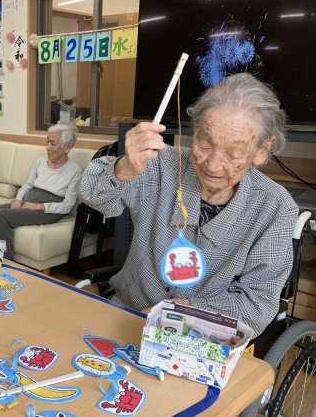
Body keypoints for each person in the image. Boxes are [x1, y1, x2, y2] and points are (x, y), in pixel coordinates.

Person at [79, 73, 298, 336]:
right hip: (127, 315)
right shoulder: (161, 165)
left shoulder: (275, 208)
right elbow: (92, 196)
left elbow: (258, 303)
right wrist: (124, 167)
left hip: (202, 337)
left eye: (233, 153)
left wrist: (188, 311)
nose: (213, 165)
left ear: (262, 150)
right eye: (204, 144)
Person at [0, 123, 82, 260]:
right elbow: (28, 184)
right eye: (47, 142)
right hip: (28, 202)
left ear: (67, 147)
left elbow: (67, 206)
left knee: (1, 215)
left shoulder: (75, 171)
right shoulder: (40, 161)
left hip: (48, 210)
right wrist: (18, 199)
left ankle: (5, 260)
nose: (47, 147)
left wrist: (38, 206)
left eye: (53, 144)